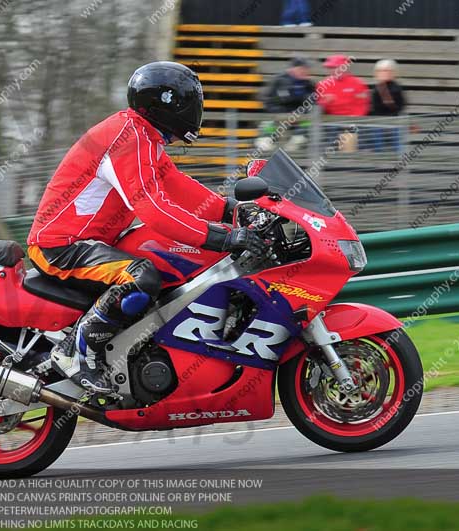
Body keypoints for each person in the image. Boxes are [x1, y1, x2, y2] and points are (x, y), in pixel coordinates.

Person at [26, 61, 264, 394]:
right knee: (142, 276)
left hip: (90, 240)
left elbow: (177, 185)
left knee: (160, 258)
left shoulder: (143, 137)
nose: (196, 109)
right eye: (189, 102)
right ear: (165, 103)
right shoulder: (129, 137)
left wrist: (234, 210)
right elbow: (154, 209)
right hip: (62, 245)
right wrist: (224, 237)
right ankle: (75, 353)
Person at [257, 57, 316, 151]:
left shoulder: (308, 83)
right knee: (264, 142)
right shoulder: (280, 80)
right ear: (293, 68)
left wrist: (299, 113)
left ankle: (292, 152)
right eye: (302, 68)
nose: (305, 71)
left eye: (306, 69)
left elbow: (313, 102)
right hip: (278, 117)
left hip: (299, 120)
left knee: (300, 136)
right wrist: (282, 114)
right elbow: (269, 100)